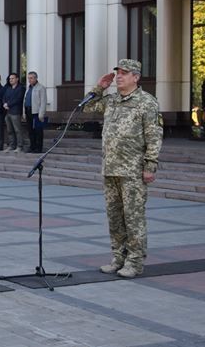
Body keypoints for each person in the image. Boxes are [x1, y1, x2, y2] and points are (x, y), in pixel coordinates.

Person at [83, 59, 163, 279]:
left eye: (124, 73)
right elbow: (87, 107)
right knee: (115, 217)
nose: (119, 76)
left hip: (133, 171)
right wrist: (100, 87)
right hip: (110, 168)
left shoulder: (147, 102)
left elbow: (154, 136)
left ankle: (135, 262)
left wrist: (150, 165)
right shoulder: (112, 100)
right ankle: (118, 258)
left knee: (133, 218)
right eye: (117, 72)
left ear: (135, 77)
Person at [23, 71, 47, 153]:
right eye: (28, 78)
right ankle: (32, 146)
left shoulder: (41, 88)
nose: (29, 80)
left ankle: (38, 148)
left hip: (36, 112)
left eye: (31, 78)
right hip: (28, 111)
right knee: (30, 131)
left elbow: (43, 102)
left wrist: (41, 114)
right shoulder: (28, 88)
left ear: (36, 78)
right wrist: (24, 112)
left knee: (38, 131)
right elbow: (25, 100)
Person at [2, 73, 25, 152]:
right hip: (8, 112)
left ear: (17, 79)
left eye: (12, 78)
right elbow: (4, 97)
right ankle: (12, 145)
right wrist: (4, 104)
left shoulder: (21, 88)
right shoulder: (8, 88)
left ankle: (19, 146)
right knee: (10, 130)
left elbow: (18, 99)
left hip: (16, 112)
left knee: (17, 130)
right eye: (10, 79)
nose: (11, 80)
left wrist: (8, 104)